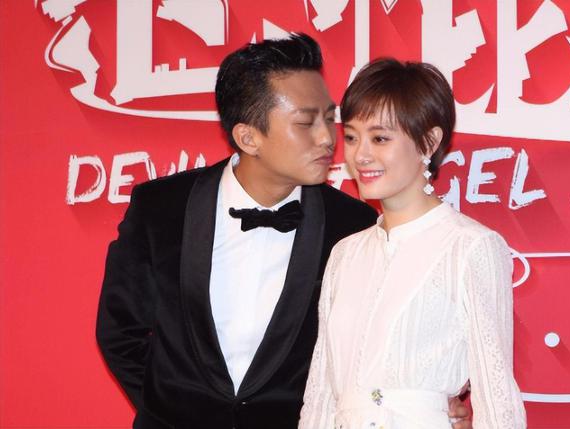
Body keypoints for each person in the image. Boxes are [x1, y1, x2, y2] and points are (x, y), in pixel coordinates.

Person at [96, 35, 471, 429]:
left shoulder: (353, 226)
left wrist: (426, 406)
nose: (327, 138)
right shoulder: (161, 208)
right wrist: (166, 414)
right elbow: (120, 333)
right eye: (306, 123)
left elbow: (370, 355)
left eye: (329, 118)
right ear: (248, 137)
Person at [299, 58, 527, 428]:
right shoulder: (345, 254)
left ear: (429, 141)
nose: (361, 155)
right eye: (352, 137)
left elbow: (497, 398)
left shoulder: (470, 247)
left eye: (380, 138)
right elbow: (321, 398)